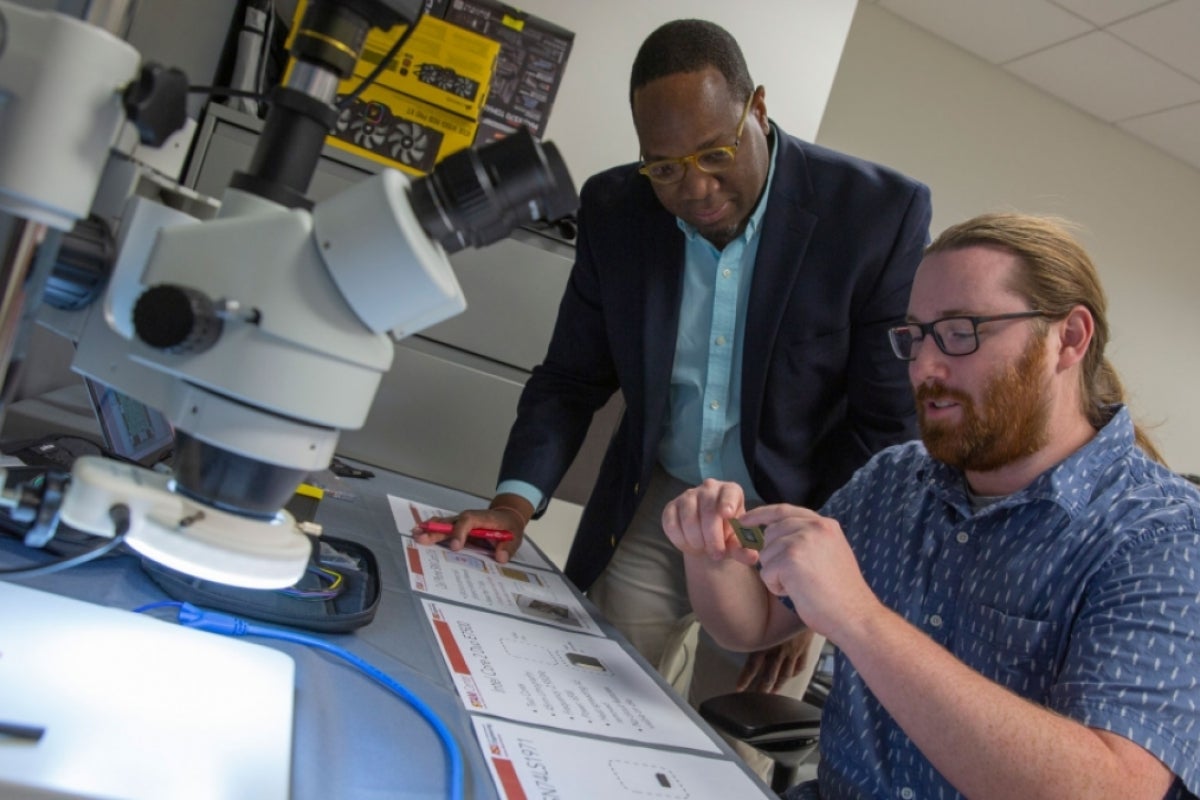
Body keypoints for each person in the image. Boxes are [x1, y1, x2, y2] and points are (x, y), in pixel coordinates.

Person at [415, 18, 932, 719]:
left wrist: (817, 585)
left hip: (789, 513)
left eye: (715, 153)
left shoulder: (873, 214)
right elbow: (571, 378)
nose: (694, 188)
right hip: (661, 496)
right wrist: (512, 504)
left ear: (757, 110)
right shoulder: (616, 208)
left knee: (730, 731)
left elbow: (883, 427)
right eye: (664, 166)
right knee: (582, 689)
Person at [661, 212, 1200, 799]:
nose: (924, 367)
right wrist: (709, 550)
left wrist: (859, 618)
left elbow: (1111, 789)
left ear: (1068, 338)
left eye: (961, 331)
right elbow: (756, 623)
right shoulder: (895, 479)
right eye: (914, 337)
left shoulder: (1165, 537)